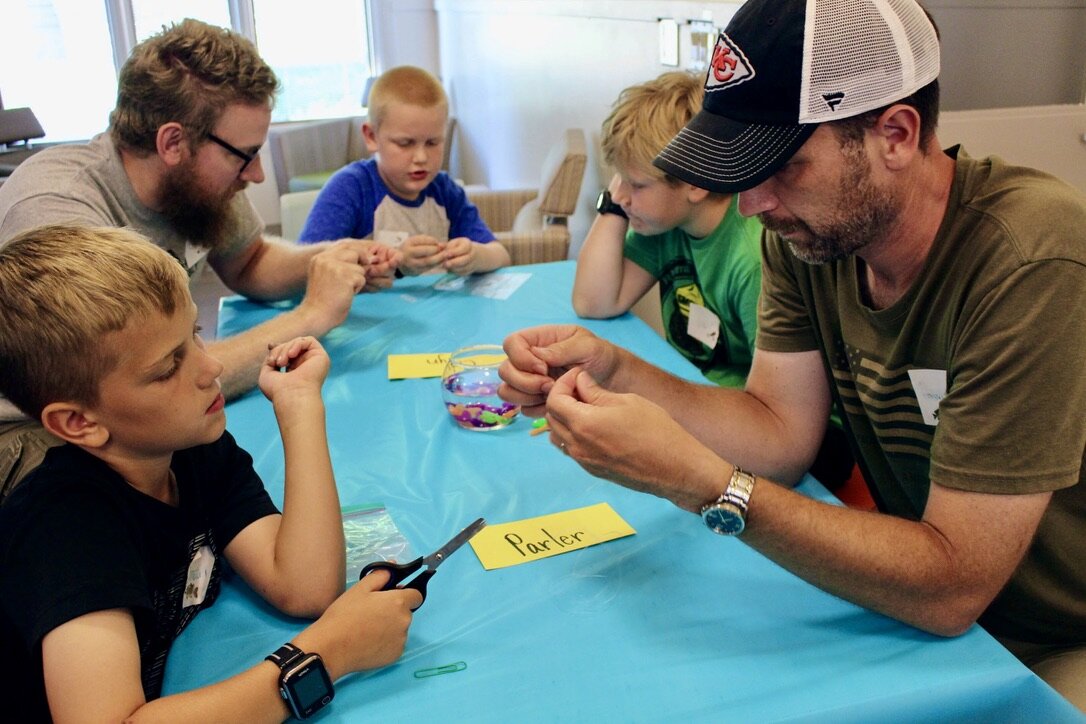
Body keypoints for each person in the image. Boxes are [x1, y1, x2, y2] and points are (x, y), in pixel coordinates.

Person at [498, 0, 1086, 709]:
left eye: (781, 166)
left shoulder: (1029, 260)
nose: (752, 206)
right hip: (935, 607)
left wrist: (704, 485)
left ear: (895, 134)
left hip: (1053, 631)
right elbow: (777, 433)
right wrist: (615, 370)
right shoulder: (811, 237)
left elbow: (954, 585)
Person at [0, 224, 420, 722]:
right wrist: (326, 655)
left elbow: (304, 585)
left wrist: (300, 405)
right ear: (79, 422)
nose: (210, 369)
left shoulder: (189, 449)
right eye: (166, 368)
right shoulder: (65, 526)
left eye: (195, 335)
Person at [0, 19, 397, 495]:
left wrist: (331, 260)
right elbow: (156, 384)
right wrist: (313, 314)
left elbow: (249, 261)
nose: (255, 174)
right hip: (46, 431)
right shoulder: (59, 209)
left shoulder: (198, 184)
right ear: (172, 143)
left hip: (141, 389)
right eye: (243, 154)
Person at [573, 71, 853, 489]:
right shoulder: (665, 228)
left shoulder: (753, 257)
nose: (622, 196)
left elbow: (781, 425)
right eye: (619, 183)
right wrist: (614, 209)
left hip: (790, 436)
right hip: (710, 399)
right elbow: (594, 301)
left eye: (636, 184)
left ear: (693, 185)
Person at [298, 65, 511, 276]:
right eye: (405, 143)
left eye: (433, 142)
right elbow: (309, 267)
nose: (421, 158)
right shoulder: (351, 188)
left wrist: (476, 257)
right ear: (371, 137)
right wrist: (396, 263)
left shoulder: (446, 191)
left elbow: (500, 255)